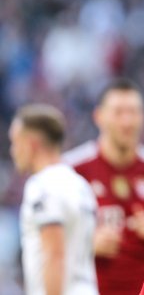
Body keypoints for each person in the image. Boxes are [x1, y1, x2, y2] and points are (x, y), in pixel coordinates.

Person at [64, 78, 144, 295]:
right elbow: (45, 238)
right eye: (118, 112)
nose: (127, 121)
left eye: (133, 112)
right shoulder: (71, 170)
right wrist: (85, 243)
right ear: (99, 117)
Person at [9, 104, 98, 295]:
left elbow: (54, 256)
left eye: (15, 142)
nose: (13, 151)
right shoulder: (80, 184)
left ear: (31, 144)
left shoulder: (42, 186)